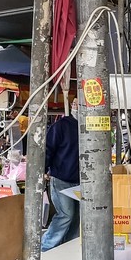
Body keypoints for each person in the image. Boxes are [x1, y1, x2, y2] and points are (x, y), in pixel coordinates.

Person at [42, 100, 81, 251]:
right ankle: (46, 247)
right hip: (61, 179)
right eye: (76, 103)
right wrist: (43, 170)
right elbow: (47, 149)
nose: (77, 106)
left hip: (82, 182)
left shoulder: (91, 126)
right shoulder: (61, 126)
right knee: (66, 215)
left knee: (77, 218)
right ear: (73, 106)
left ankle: (67, 248)